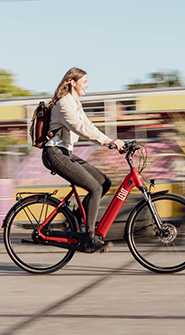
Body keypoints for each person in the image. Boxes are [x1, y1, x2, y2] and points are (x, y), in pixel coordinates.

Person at [42, 67, 125, 252]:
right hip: (54, 153)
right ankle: (89, 239)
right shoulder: (64, 104)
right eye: (85, 82)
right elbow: (79, 127)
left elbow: (89, 125)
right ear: (73, 82)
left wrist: (111, 141)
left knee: (104, 183)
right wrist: (107, 142)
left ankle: (76, 218)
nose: (87, 86)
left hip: (65, 153)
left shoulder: (75, 103)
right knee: (94, 188)